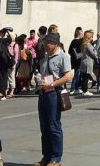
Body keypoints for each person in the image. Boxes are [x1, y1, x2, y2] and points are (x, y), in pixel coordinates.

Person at [35, 32, 72, 166]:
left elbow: (68, 76)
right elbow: (42, 73)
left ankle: (56, 158)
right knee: (44, 127)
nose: (44, 45)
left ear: (55, 44)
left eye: (47, 43)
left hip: (54, 94)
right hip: (43, 93)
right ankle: (46, 156)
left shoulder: (63, 56)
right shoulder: (44, 57)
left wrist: (52, 84)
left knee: (53, 126)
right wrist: (38, 80)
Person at [78, 30, 96, 96]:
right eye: (91, 37)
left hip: (84, 61)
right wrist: (96, 53)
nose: (92, 38)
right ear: (89, 37)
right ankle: (85, 91)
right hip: (88, 62)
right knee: (86, 77)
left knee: (85, 77)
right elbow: (93, 54)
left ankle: (84, 90)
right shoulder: (88, 45)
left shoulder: (83, 44)